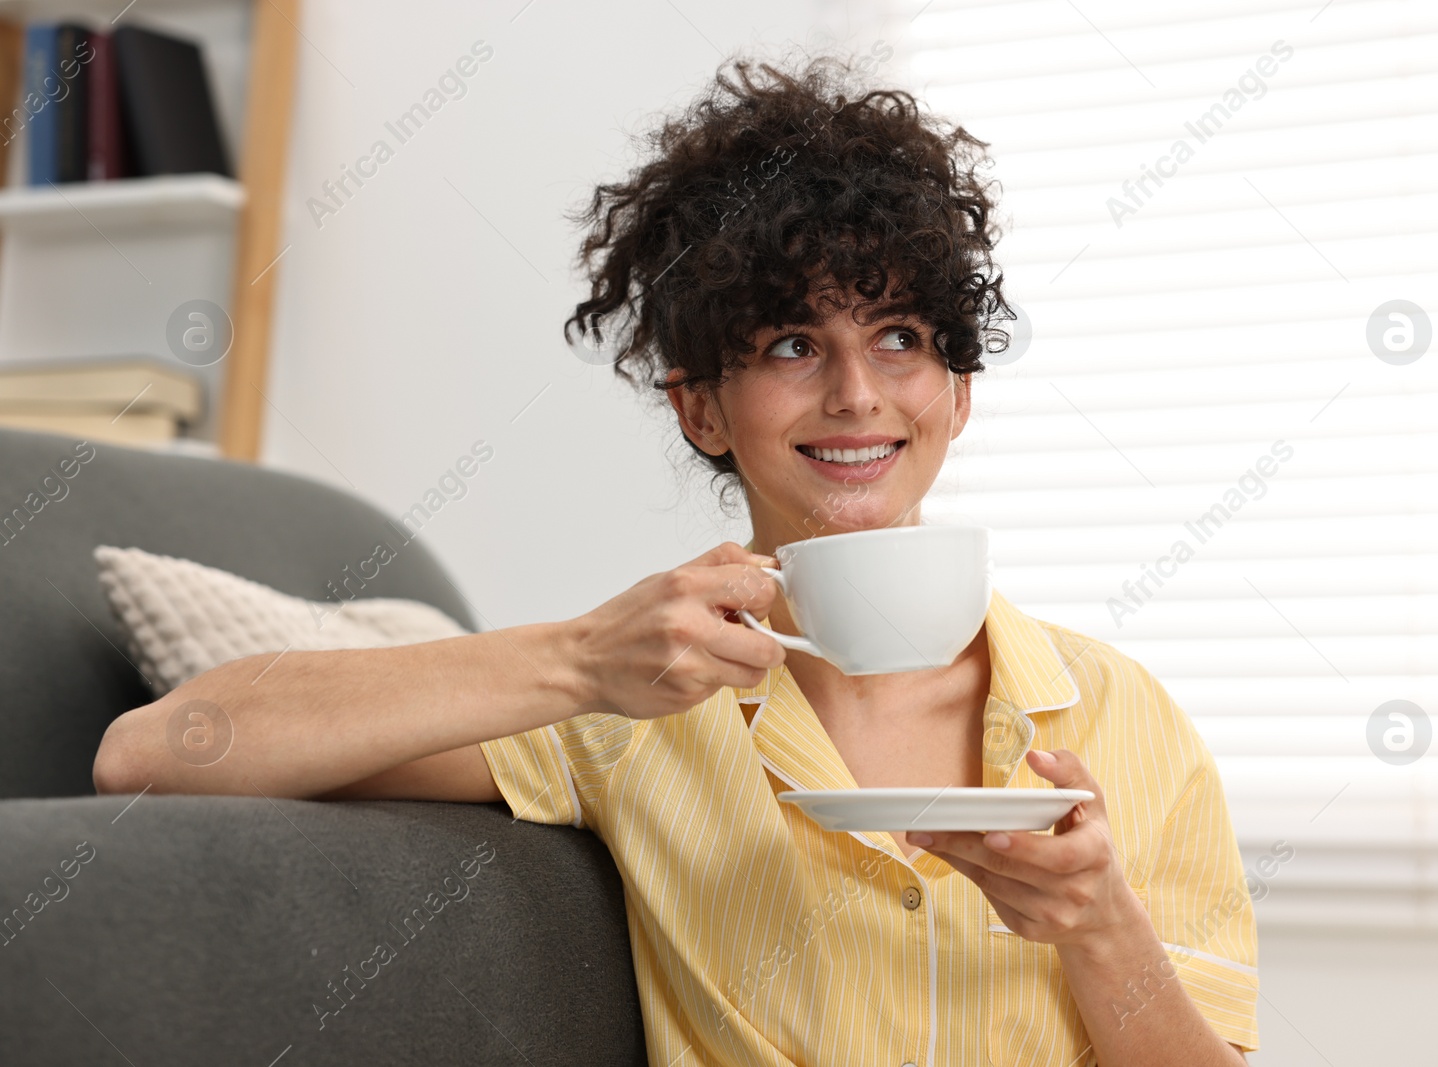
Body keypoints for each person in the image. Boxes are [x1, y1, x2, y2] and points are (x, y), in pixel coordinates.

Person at [93, 54, 1258, 1066]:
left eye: (898, 337)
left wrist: (1102, 923)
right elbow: (153, 751)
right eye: (794, 343)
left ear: (955, 392)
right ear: (701, 407)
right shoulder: (631, 696)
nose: (856, 393)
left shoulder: (1121, 715)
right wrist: (575, 658)